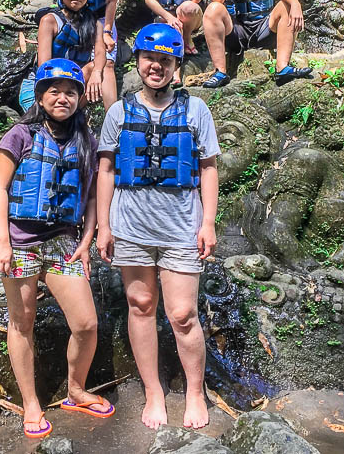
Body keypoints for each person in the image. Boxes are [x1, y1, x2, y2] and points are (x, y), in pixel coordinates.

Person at [96, 23, 220, 430]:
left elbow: (208, 168)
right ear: (139, 63)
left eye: (165, 60)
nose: (156, 66)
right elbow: (107, 170)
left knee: (183, 314)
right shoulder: (119, 112)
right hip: (130, 226)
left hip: (181, 227)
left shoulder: (196, 109)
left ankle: (195, 392)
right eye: (150, 59)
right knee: (141, 306)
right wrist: (103, 226)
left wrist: (208, 222)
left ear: (175, 66)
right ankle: (153, 392)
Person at [0, 58, 115, 439]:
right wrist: (1, 240)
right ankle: (31, 402)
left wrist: (87, 239)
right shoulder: (20, 135)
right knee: (21, 322)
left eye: (71, 92)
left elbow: (92, 196)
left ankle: (76, 390)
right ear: (41, 96)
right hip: (20, 240)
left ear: (80, 97)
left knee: (86, 324)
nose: (63, 98)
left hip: (63, 241)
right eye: (55, 91)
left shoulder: (87, 142)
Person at [17, 0, 106, 111]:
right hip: (44, 85)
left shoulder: (95, 24)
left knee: (92, 67)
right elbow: (44, 65)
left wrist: (97, 72)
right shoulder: (49, 20)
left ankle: (74, 115)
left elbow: (101, 53)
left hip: (72, 87)